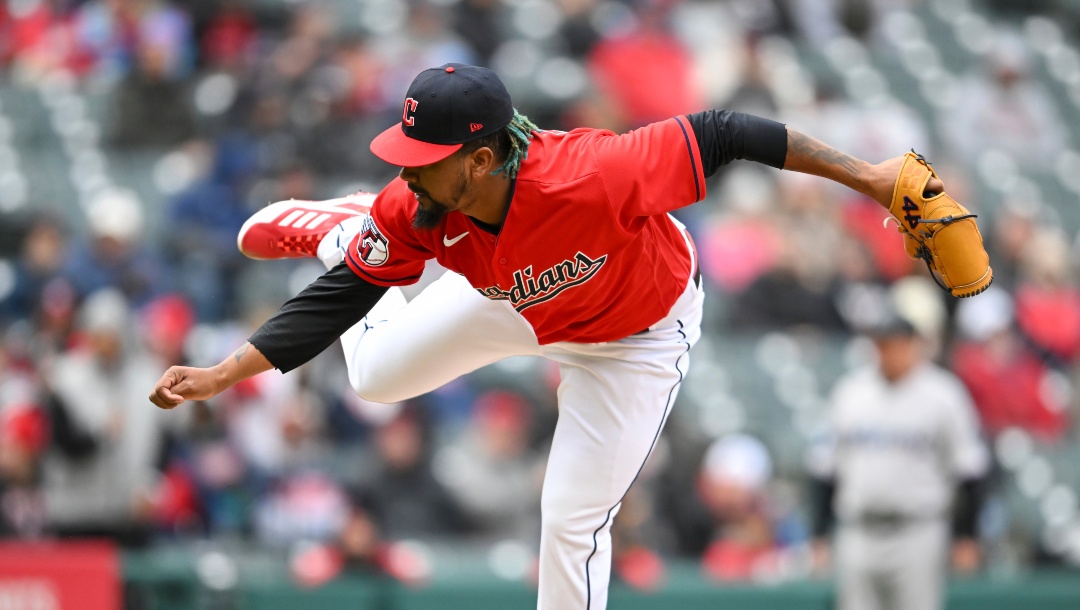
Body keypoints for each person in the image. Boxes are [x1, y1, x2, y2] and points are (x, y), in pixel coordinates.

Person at [150, 63, 939, 609]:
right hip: (519, 302)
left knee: (569, 520)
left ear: (485, 156)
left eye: (426, 161)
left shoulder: (594, 174)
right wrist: (229, 370)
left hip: (637, 335)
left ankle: (351, 236)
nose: (410, 174)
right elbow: (346, 297)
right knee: (374, 376)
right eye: (406, 157)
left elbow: (728, 130)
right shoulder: (416, 201)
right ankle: (346, 231)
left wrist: (869, 177)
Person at [807, 308, 990, 610]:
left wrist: (966, 536)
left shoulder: (943, 394)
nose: (887, 351)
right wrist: (819, 535)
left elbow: (970, 470)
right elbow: (824, 469)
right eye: (881, 343)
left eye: (895, 343)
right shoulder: (851, 393)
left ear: (913, 345)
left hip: (918, 530)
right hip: (858, 530)